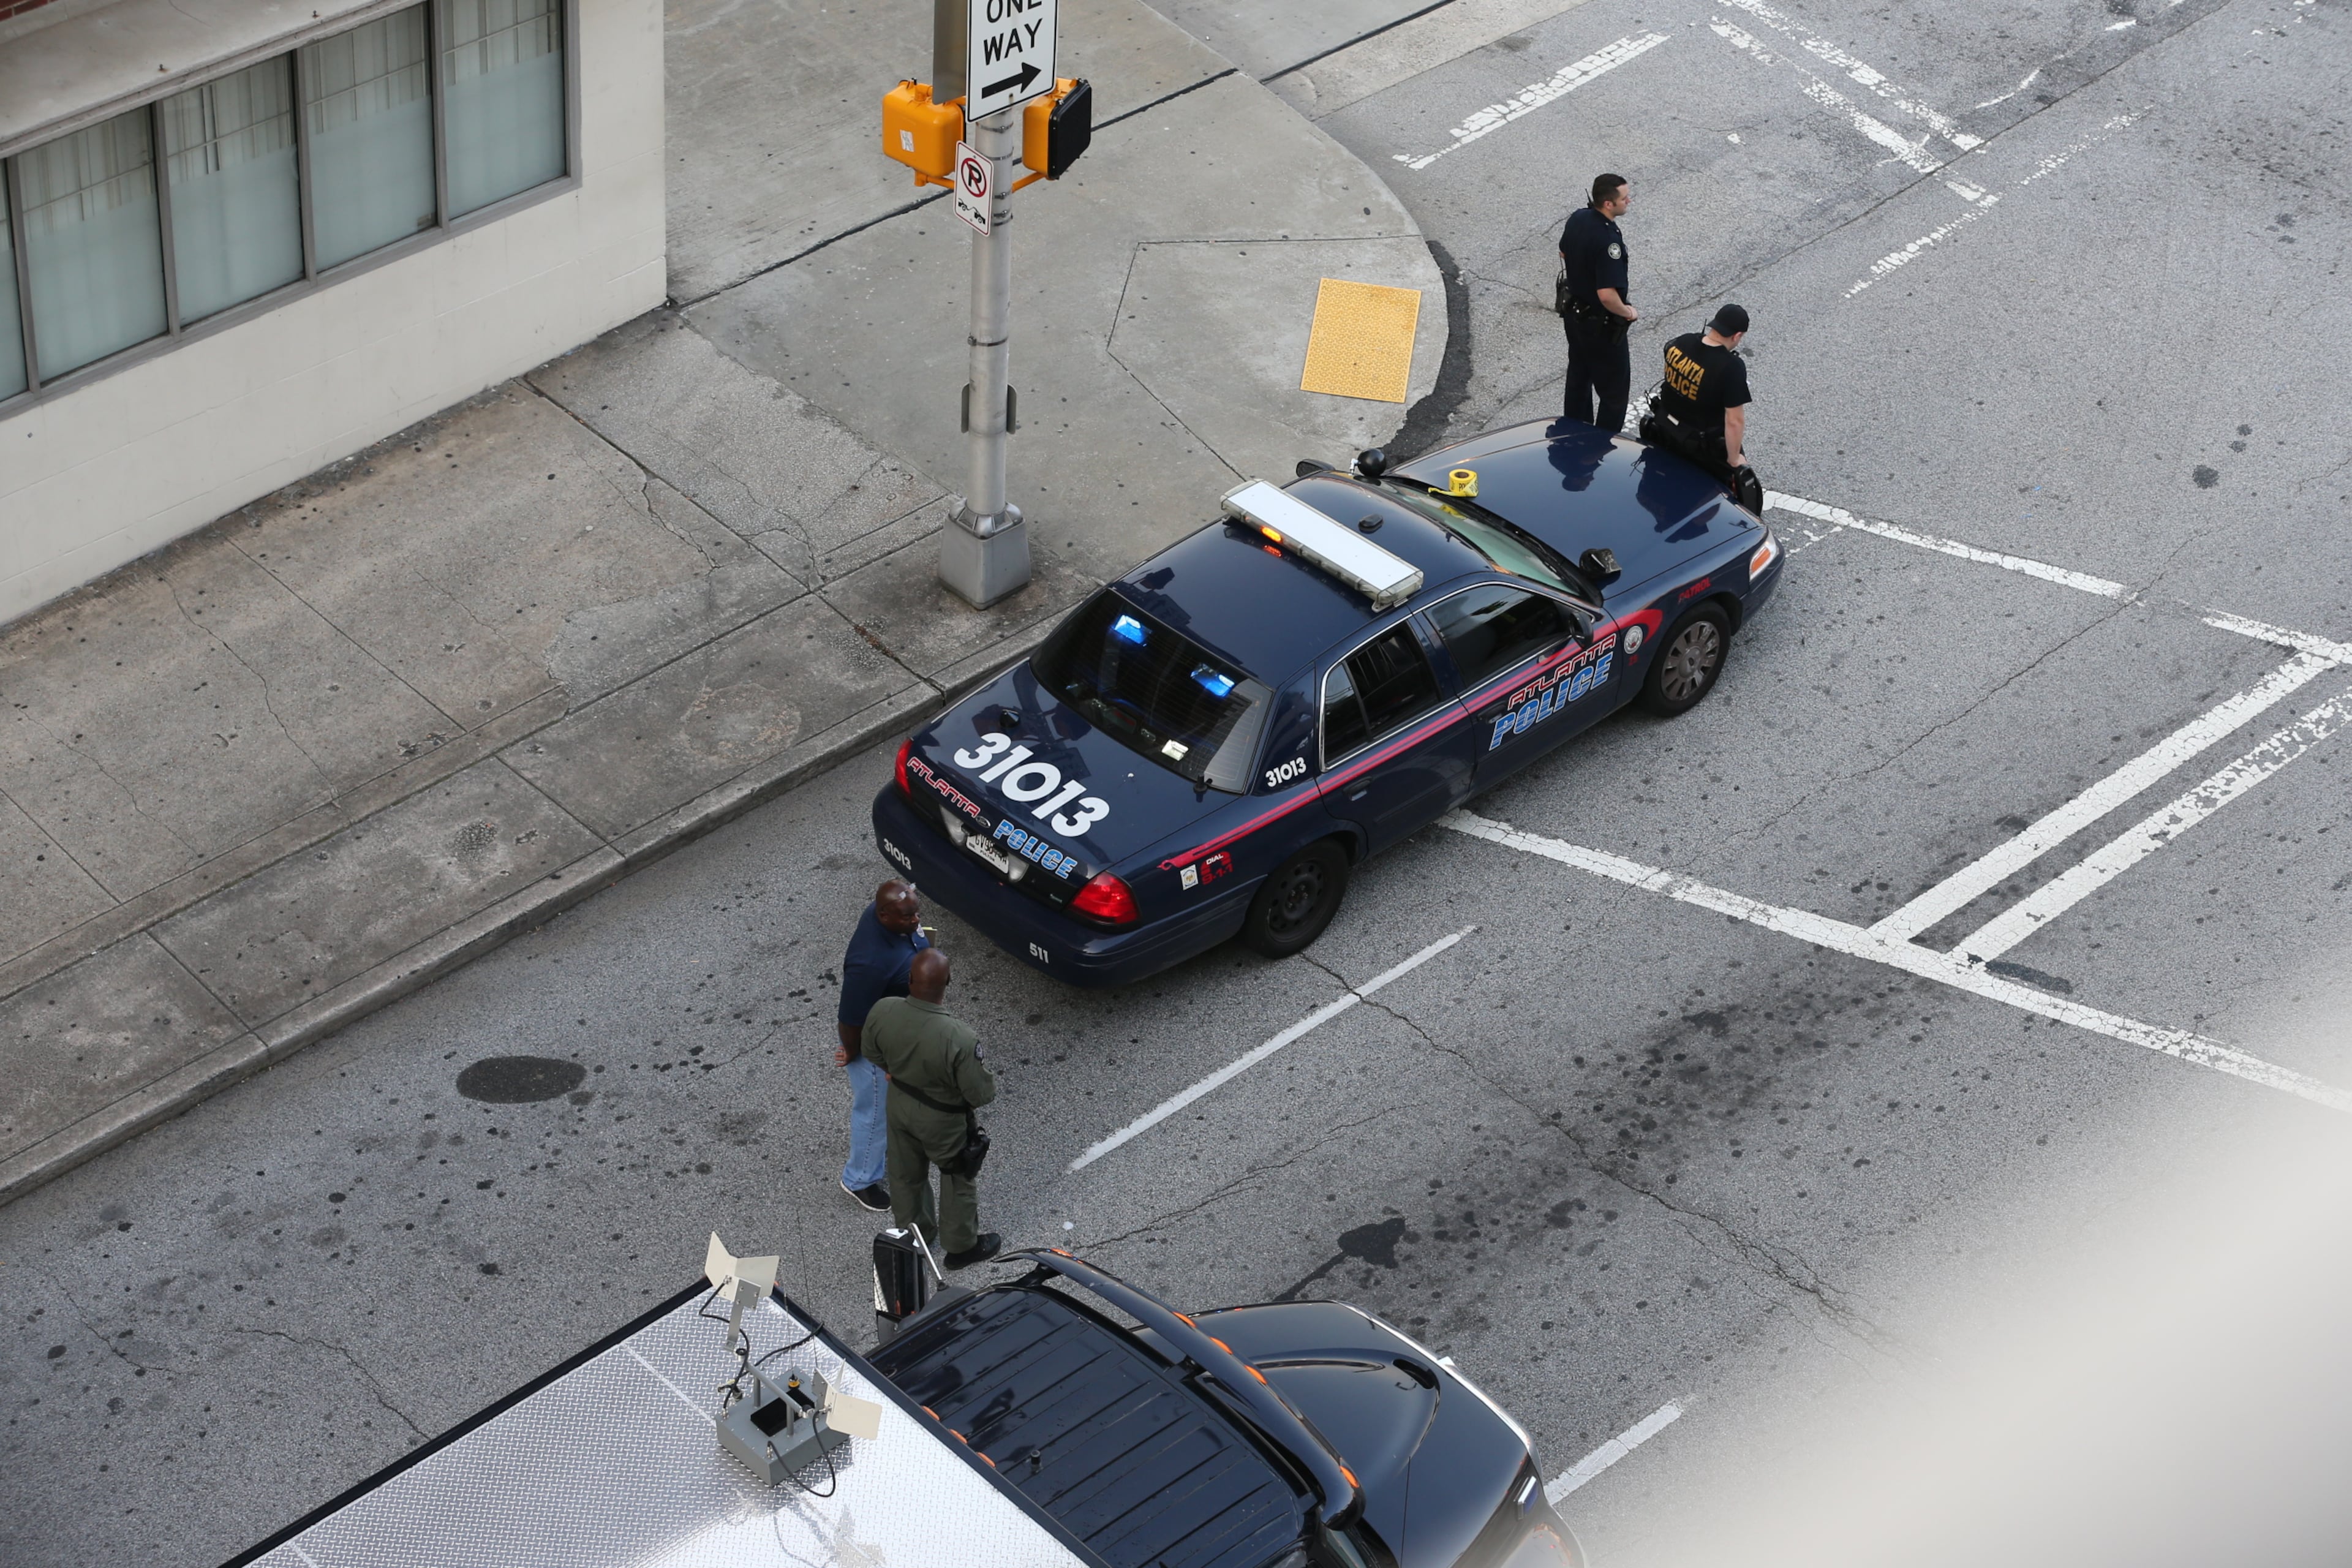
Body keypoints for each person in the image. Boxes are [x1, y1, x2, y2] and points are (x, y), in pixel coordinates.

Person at [864, 948, 1001, 1268]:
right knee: (957, 1176)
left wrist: (897, 1071)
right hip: (943, 1118)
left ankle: (915, 1238)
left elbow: (871, 1051)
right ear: (948, 983)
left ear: (910, 980)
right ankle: (961, 1247)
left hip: (899, 1104)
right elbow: (981, 1093)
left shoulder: (884, 1010)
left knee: (905, 1176)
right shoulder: (959, 1037)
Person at [834, 879, 928, 1213]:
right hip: (875, 1043)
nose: (916, 920)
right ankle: (859, 1179)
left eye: (916, 913)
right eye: (907, 917)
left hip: (901, 1027)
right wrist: (853, 1052)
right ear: (884, 915)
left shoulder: (894, 918)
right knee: (874, 1111)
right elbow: (850, 1019)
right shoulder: (869, 963)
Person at [1650, 303, 1759, 509]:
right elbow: (1734, 421)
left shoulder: (1682, 342)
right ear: (1737, 336)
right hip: (1701, 445)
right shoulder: (1730, 367)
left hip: (1666, 429)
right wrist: (1734, 459)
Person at [1559, 173, 1637, 432]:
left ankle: (1574, 433)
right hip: (1600, 326)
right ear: (1608, 204)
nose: (1629, 201)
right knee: (1614, 392)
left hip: (1575, 316)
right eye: (1624, 198)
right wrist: (1627, 312)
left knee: (1579, 376)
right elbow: (1606, 295)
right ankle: (1602, 442)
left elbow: (1563, 251)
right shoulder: (1608, 240)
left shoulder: (1578, 218)